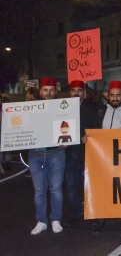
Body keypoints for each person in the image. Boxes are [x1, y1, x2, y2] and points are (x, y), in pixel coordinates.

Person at [87, 80, 121, 232]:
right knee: (102, 187)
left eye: (118, 96)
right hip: (102, 157)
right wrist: (87, 138)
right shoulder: (99, 111)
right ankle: (100, 218)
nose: (115, 98)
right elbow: (93, 130)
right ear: (107, 96)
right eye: (112, 95)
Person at [29, 77, 65, 235]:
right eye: (45, 90)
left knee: (56, 189)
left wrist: (67, 141)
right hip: (36, 153)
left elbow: (68, 125)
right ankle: (41, 221)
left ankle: (56, 219)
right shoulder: (30, 108)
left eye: (51, 90)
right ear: (40, 91)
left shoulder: (63, 107)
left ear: (55, 91)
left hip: (56, 153)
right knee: (39, 190)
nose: (48, 93)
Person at [62, 80, 97, 227]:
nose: (76, 93)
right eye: (73, 90)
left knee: (90, 184)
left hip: (87, 151)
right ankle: (75, 214)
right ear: (69, 93)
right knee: (71, 185)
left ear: (84, 92)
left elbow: (96, 127)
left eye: (79, 90)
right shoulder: (62, 109)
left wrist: (89, 136)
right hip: (69, 152)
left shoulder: (91, 108)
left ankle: (92, 212)